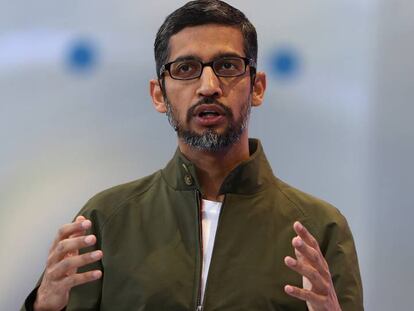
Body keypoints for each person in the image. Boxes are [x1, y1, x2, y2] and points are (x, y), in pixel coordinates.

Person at [22, 1, 363, 310]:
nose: (209, 85)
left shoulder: (319, 229)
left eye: (227, 65)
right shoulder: (105, 221)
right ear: (159, 95)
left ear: (257, 87)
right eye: (186, 69)